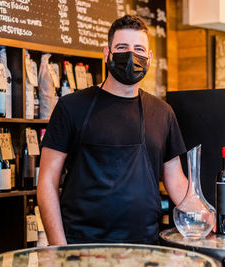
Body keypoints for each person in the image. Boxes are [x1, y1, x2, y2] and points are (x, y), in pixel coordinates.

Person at [37, 15, 188, 245]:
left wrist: (211, 218)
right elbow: (47, 180)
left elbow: (178, 184)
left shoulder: (163, 113)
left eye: (138, 49)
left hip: (145, 249)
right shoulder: (72, 107)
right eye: (122, 47)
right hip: (82, 248)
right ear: (107, 53)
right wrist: (59, 249)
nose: (131, 56)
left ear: (149, 58)